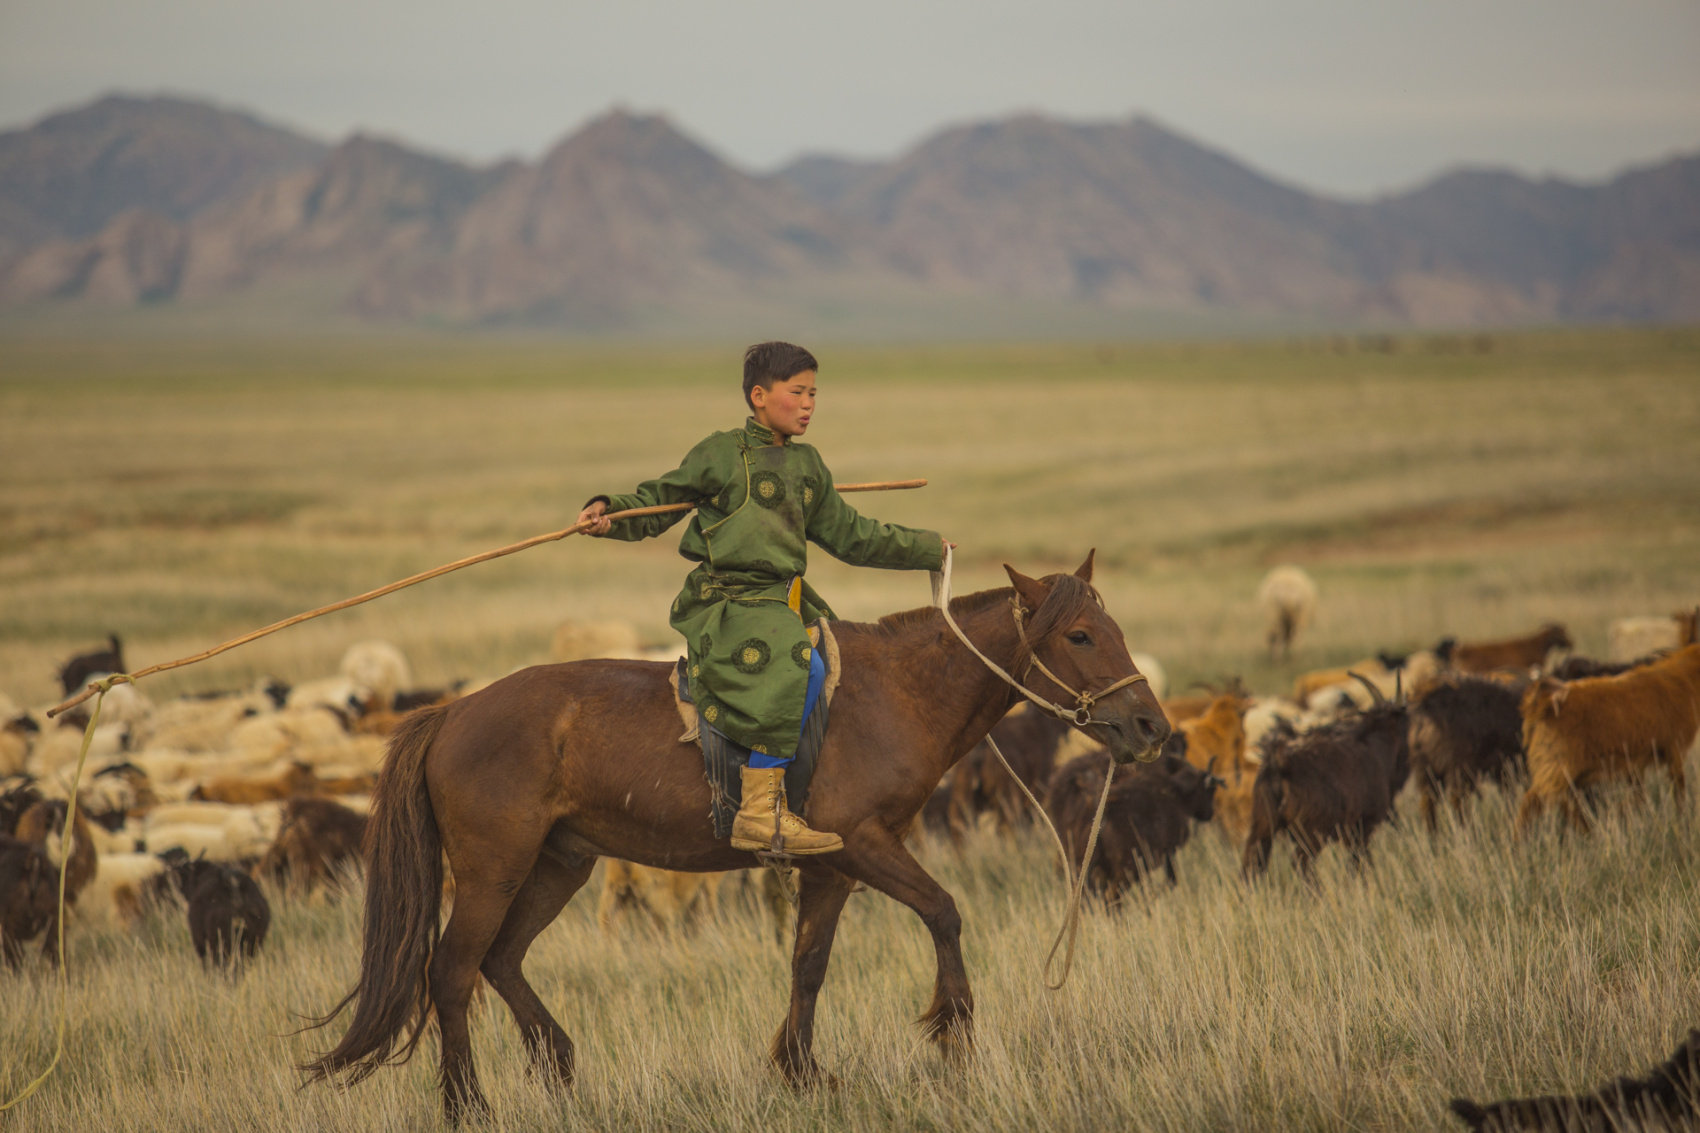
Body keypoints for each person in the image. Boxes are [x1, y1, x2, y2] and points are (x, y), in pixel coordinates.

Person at [578, 341, 947, 854]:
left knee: (847, 661)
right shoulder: (720, 453)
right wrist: (608, 512)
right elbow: (657, 502)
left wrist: (929, 548)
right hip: (726, 602)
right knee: (802, 665)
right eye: (797, 392)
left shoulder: (808, 466)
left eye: (814, 394)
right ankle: (759, 809)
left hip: (783, 601)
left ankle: (826, 801)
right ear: (758, 395)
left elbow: (853, 536)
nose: (809, 404)